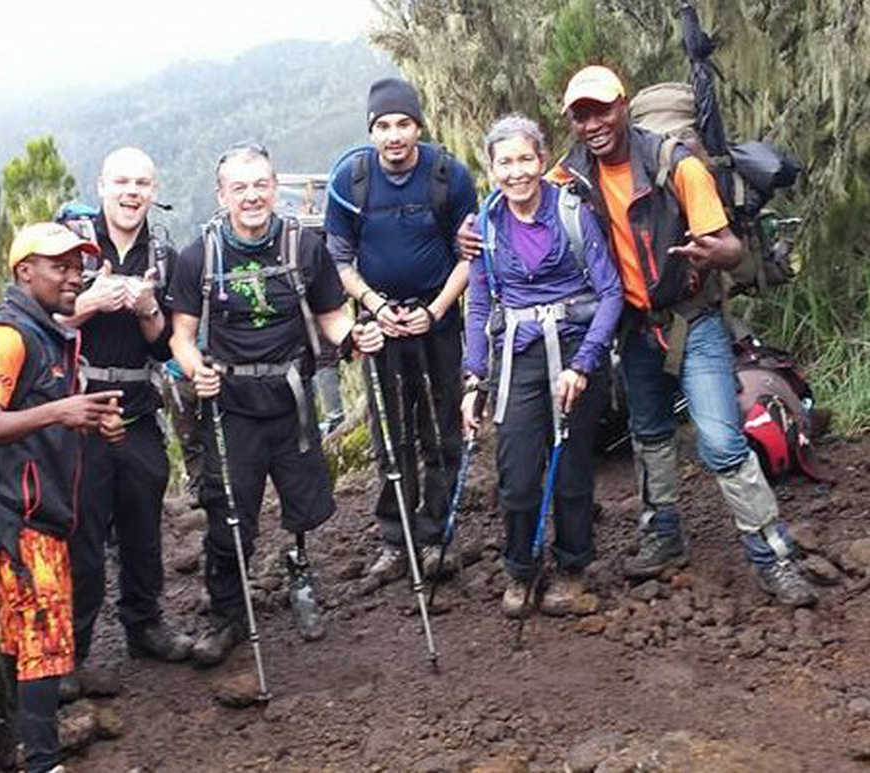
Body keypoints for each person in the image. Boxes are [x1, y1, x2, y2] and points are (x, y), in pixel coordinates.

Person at [461, 66, 817, 606]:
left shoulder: (676, 164)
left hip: (690, 317)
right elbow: (516, 199)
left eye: (602, 109)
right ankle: (663, 535)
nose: (594, 123)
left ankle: (774, 556)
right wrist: (473, 229)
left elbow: (731, 249)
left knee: (720, 442)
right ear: (572, 123)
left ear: (623, 106)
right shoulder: (570, 175)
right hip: (632, 325)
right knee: (649, 432)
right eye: (581, 115)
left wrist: (710, 251)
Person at [167, 142, 383, 665]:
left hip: (291, 400)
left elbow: (332, 317)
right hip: (230, 405)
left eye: (260, 184)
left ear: (274, 185)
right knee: (228, 512)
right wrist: (196, 370)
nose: (251, 196)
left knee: (304, 503)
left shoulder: (303, 248)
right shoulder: (200, 256)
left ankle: (299, 572)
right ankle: (227, 614)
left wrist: (357, 337)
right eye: (238, 188)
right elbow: (181, 336)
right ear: (221, 195)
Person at [0, 222, 124, 773]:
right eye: (60, 266)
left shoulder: (50, 334)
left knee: (20, 629)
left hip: (34, 509)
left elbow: (44, 417)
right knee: (44, 637)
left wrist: (89, 420)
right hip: (17, 515)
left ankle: (16, 745)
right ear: (24, 271)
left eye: (79, 267)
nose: (74, 277)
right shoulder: (5, 337)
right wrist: (60, 411)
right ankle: (44, 762)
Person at [461, 114, 623, 617]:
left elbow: (611, 291)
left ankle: (573, 570)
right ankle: (520, 568)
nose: (516, 173)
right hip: (518, 357)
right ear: (490, 169)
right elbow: (480, 305)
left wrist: (585, 362)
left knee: (573, 468)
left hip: (576, 350)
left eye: (525, 159)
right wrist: (474, 377)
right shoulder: (484, 226)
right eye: (504, 162)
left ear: (542, 159)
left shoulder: (572, 213)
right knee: (516, 473)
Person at [324, 77, 478, 585]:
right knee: (390, 434)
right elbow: (340, 260)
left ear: (418, 125)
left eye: (403, 124)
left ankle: (438, 536)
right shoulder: (351, 179)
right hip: (380, 323)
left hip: (437, 321)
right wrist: (374, 305)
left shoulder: (448, 175)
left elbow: (467, 257)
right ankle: (396, 539)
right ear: (371, 130)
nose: (394, 136)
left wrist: (433, 311)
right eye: (383, 126)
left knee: (440, 428)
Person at [55, 147, 195, 683]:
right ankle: (73, 651)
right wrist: (92, 299)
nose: (131, 192)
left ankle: (146, 626)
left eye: (141, 183)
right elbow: (42, 319)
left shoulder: (165, 254)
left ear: (154, 191)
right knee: (82, 532)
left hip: (137, 407)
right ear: (101, 186)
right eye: (121, 182)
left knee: (142, 527)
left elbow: (164, 350)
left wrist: (146, 309)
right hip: (78, 408)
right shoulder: (71, 244)